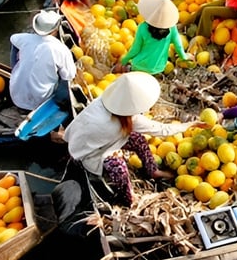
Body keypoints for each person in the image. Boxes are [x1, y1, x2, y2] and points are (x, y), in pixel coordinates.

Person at [65, 72, 201, 206]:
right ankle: (128, 198)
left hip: (85, 142)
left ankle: (153, 171)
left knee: (137, 138)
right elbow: (163, 130)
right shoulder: (130, 120)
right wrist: (190, 125)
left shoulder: (103, 102)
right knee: (119, 167)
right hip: (88, 154)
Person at [9, 9, 76, 111]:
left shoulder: (24, 39)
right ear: (55, 28)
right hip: (40, 100)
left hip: (15, 95)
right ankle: (58, 105)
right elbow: (69, 76)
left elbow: (13, 40)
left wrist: (15, 67)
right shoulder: (60, 49)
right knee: (66, 82)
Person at [118, 0, 191, 74]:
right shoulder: (172, 28)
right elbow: (178, 46)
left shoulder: (142, 27)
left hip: (139, 67)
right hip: (159, 68)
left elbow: (135, 50)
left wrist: (124, 61)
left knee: (125, 69)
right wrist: (185, 57)